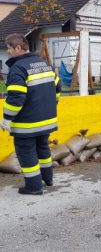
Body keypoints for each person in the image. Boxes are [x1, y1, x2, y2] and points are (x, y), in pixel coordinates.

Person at [0, 34, 61, 195]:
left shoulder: (18, 68)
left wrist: (6, 118)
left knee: (26, 153)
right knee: (43, 149)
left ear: (18, 48)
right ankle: (48, 179)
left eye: (9, 48)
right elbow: (57, 86)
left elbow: (16, 97)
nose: (8, 52)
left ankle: (33, 187)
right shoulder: (44, 63)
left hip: (27, 124)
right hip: (46, 120)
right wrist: (51, 104)